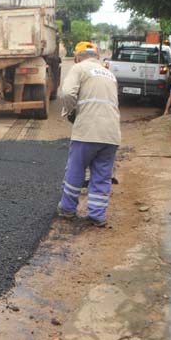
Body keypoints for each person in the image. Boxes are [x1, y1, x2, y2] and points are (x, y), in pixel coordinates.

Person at [57, 42, 121, 227]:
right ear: (97, 56)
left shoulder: (79, 68)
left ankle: (68, 209)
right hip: (111, 133)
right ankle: (97, 215)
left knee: (76, 169)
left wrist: (71, 112)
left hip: (87, 131)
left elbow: (68, 93)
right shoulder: (109, 74)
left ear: (77, 57)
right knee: (102, 174)